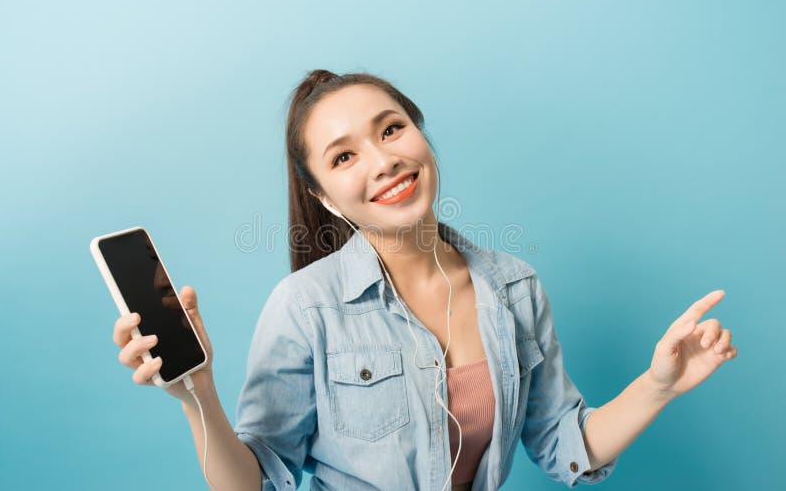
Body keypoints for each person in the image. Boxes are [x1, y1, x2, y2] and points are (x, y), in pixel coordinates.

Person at [112, 70, 738, 491]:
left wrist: (660, 386)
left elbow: (564, 443)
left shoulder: (516, 288)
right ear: (324, 197)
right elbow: (255, 478)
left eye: (391, 129)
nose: (384, 161)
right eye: (344, 156)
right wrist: (199, 396)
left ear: (421, 136)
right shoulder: (306, 307)